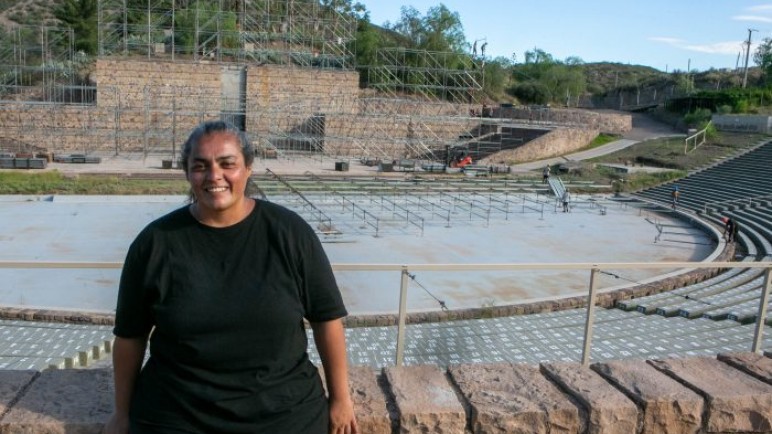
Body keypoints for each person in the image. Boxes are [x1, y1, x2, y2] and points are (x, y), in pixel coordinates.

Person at [103, 121, 358, 434]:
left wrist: (341, 399)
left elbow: (327, 319)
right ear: (187, 172)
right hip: (177, 416)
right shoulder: (154, 243)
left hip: (283, 416)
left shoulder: (290, 234)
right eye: (200, 166)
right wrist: (121, 412)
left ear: (248, 168)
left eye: (227, 164)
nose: (214, 176)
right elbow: (130, 336)